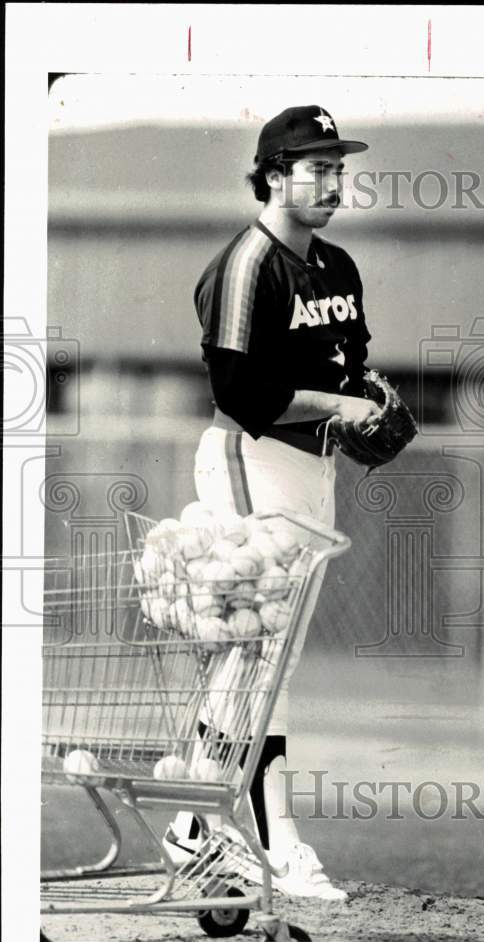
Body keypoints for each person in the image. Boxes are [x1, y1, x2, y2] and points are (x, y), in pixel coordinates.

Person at [163, 106, 379, 901]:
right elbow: (239, 392)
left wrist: (363, 405)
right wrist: (336, 406)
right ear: (272, 173)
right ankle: (259, 837)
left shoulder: (338, 266)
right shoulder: (248, 264)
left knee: (261, 656)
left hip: (309, 471)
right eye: (314, 165)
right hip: (250, 459)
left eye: (337, 165)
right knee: (258, 649)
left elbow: (353, 372)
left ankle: (202, 824)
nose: (332, 178)